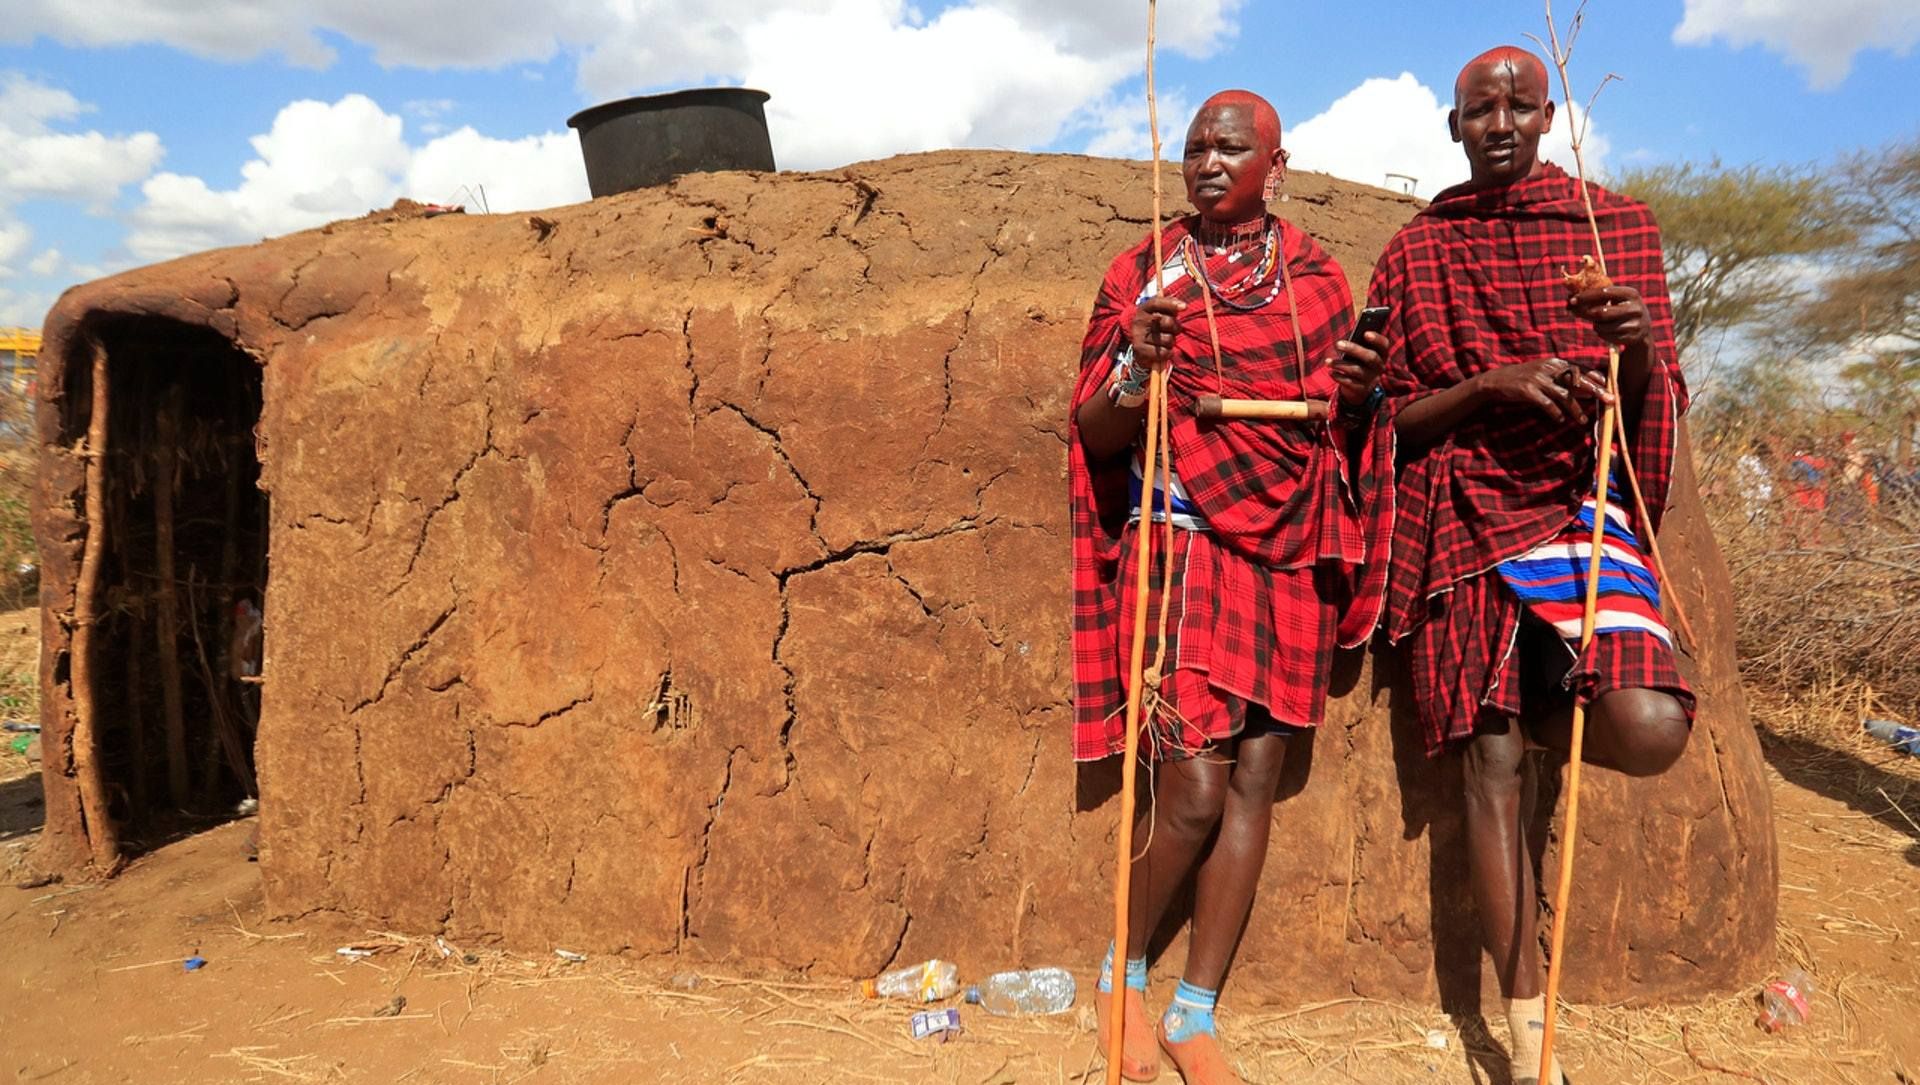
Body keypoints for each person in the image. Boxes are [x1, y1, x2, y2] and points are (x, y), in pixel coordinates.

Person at [1365, 47, 1695, 1085]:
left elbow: (1654, 392)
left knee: (1646, 724)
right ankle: (1527, 1033)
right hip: (1461, 509)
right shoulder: (1420, 249)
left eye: (1518, 104)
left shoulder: (1612, 226)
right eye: (1479, 109)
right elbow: (1390, 418)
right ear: (1452, 126)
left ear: (1549, 115)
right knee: (1490, 761)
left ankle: (1554, 698)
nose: (1499, 121)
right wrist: (1492, 385)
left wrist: (1630, 342)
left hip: (1580, 506)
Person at [1069, 90, 1394, 1085]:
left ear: (1275, 166)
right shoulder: (1144, 276)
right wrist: (1138, 359)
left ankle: (1194, 1008)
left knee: (1256, 775)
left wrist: (1363, 385)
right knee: (1195, 785)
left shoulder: (1317, 280)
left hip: (1291, 540)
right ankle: (1120, 973)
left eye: (1231, 147)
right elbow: (1093, 434)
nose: (1209, 161)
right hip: (1184, 539)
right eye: (1197, 147)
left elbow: (1349, 422)